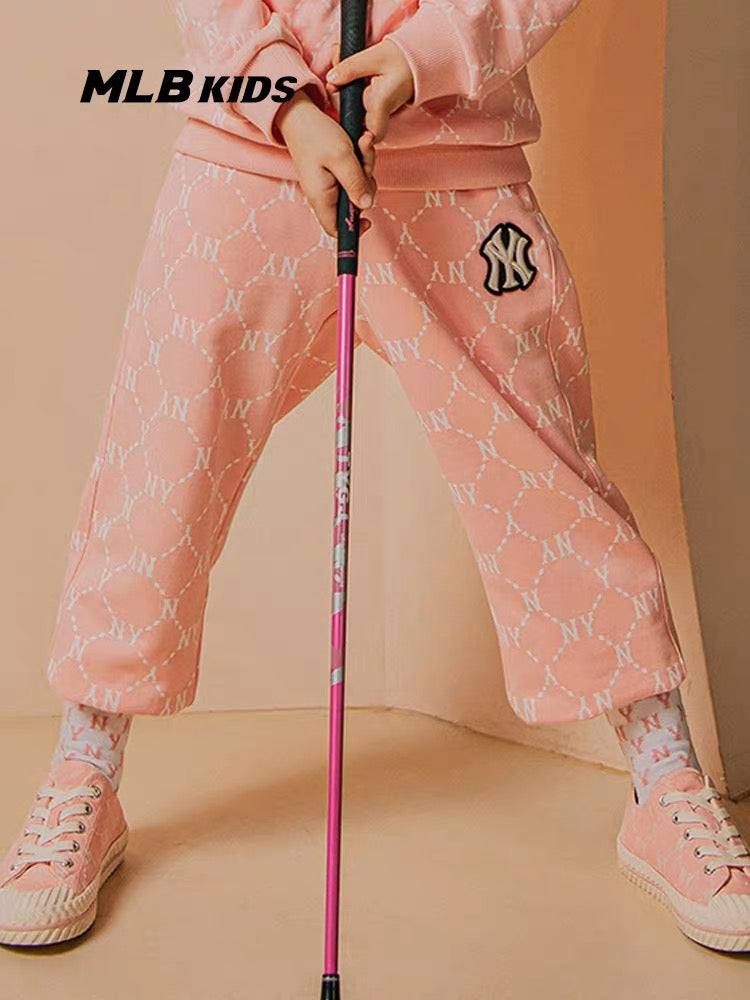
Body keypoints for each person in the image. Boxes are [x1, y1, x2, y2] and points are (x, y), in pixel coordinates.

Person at [1, 0, 748, 954]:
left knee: (547, 479)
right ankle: (84, 772)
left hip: (457, 162)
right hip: (249, 157)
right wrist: (286, 104)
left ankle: (665, 780)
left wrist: (423, 55)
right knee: (162, 462)